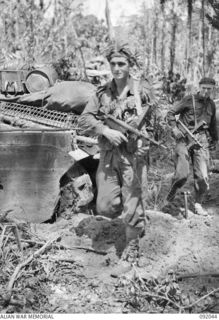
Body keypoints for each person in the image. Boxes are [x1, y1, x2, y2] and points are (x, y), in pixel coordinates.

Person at [78, 44, 151, 276]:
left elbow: (156, 123)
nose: (118, 68)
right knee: (105, 206)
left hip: (133, 157)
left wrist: (144, 142)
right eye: (114, 64)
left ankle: (132, 250)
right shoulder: (102, 94)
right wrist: (105, 130)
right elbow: (84, 120)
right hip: (109, 155)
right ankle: (134, 217)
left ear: (130, 66)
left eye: (122, 64)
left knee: (132, 201)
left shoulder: (142, 92)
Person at [166, 77, 218, 215]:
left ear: (213, 89)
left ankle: (198, 204)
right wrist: (174, 129)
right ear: (199, 87)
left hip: (201, 141)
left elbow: (212, 126)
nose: (206, 91)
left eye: (209, 89)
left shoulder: (212, 105)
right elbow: (171, 113)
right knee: (182, 174)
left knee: (203, 177)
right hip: (184, 139)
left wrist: (215, 142)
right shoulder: (189, 99)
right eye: (204, 88)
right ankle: (170, 194)